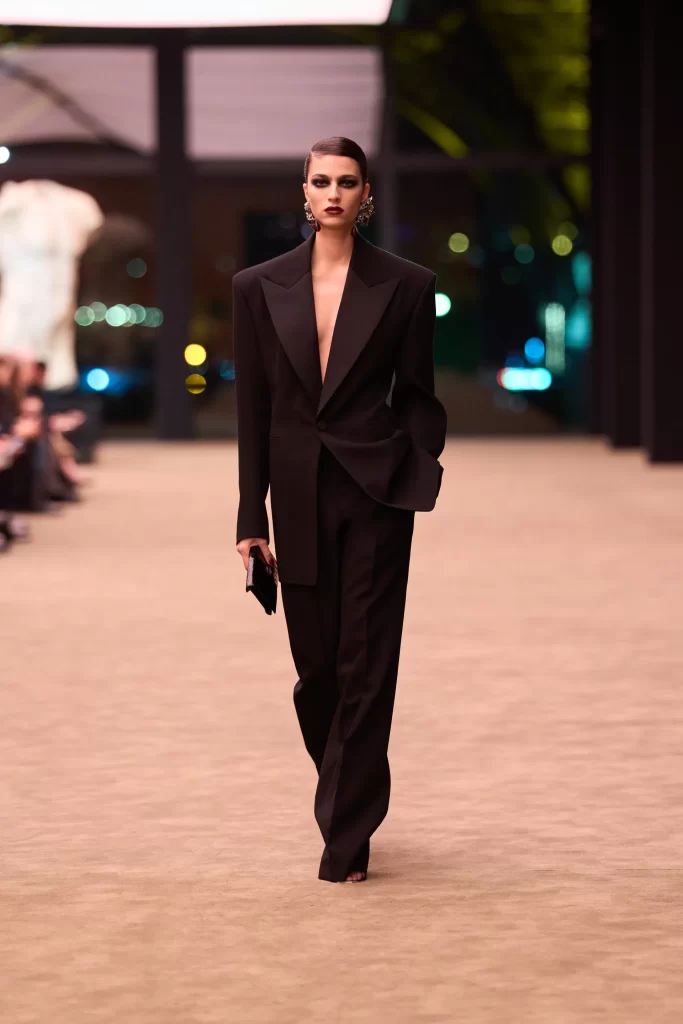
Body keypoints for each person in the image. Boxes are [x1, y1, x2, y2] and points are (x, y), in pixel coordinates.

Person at [233, 137, 447, 884]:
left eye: (346, 182)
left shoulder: (407, 285)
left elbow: (418, 395)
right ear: (304, 191)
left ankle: (346, 836)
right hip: (296, 493)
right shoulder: (257, 287)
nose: (332, 193)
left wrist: (414, 467)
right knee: (317, 669)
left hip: (376, 493)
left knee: (366, 663)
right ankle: (345, 781)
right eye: (320, 181)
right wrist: (249, 517)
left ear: (365, 195)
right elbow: (254, 412)